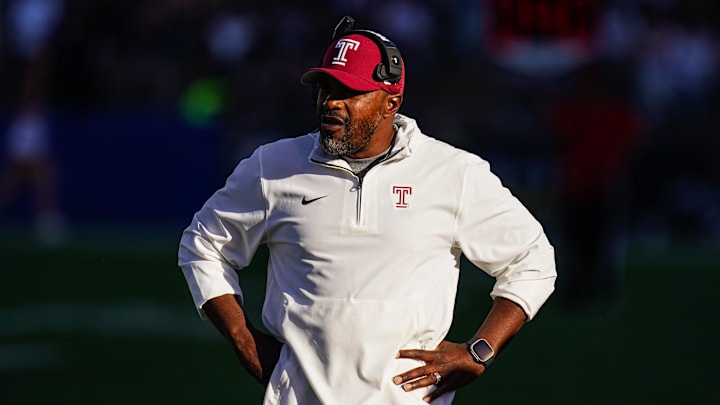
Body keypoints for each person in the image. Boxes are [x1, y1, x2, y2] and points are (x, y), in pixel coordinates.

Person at [178, 16, 556, 405]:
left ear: (391, 101)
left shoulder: (452, 173)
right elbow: (203, 245)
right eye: (325, 88)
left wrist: (480, 350)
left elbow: (533, 259)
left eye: (349, 91)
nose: (331, 103)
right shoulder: (272, 166)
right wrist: (244, 339)